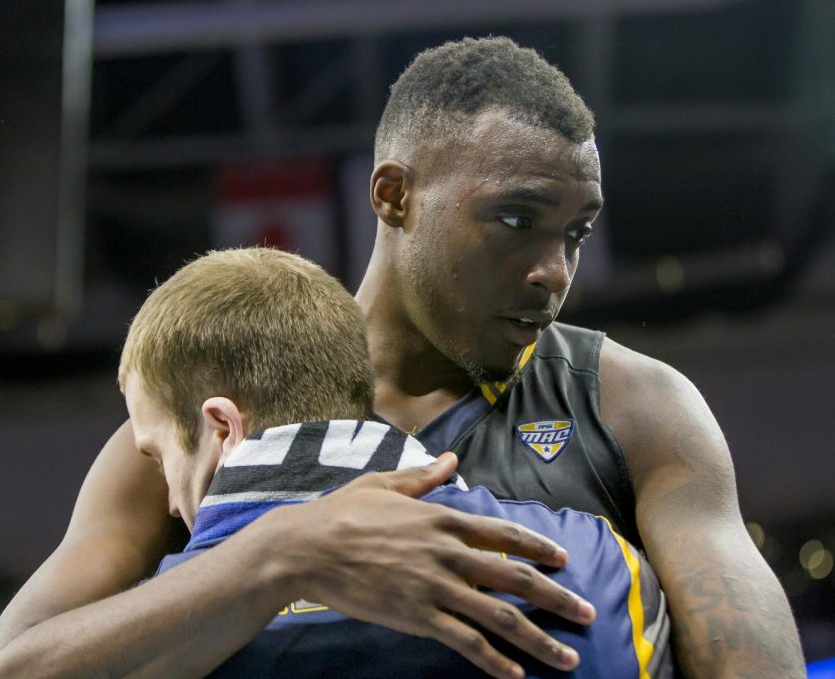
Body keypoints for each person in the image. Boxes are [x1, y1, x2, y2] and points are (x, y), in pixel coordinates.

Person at [0, 37, 803, 678]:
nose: (554, 270)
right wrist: (279, 553)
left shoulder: (636, 403)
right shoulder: (204, 404)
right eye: (517, 219)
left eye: (576, 233)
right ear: (394, 195)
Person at [129, 246, 675, 677]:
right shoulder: (598, 564)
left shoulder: (143, 642)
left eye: (158, 459)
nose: (173, 507)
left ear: (224, 427)